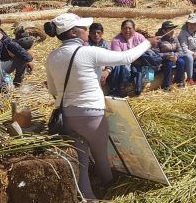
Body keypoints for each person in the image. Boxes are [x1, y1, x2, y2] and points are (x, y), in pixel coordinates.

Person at [44, 13, 158, 200]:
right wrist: (147, 43)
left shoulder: (52, 56)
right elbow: (126, 57)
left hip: (65, 115)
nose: (87, 32)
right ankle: (110, 188)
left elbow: (52, 89)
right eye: (84, 29)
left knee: (81, 160)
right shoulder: (89, 52)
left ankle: (88, 196)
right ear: (73, 33)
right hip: (91, 114)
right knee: (101, 158)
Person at [108, 20, 149, 96]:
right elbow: (119, 58)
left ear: (134, 29)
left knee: (147, 69)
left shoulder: (139, 37)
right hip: (124, 66)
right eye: (125, 28)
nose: (127, 30)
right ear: (121, 29)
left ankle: (142, 86)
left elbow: (147, 51)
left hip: (140, 63)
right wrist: (134, 60)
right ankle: (117, 89)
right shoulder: (116, 40)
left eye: (130, 28)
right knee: (120, 67)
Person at [156, 21, 186, 91]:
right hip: (163, 61)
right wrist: (168, 56)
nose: (172, 31)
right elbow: (156, 54)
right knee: (168, 63)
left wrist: (175, 56)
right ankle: (166, 85)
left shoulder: (175, 38)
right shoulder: (158, 39)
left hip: (174, 58)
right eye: (170, 30)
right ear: (164, 31)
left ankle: (179, 81)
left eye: (173, 29)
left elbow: (180, 51)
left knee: (181, 61)